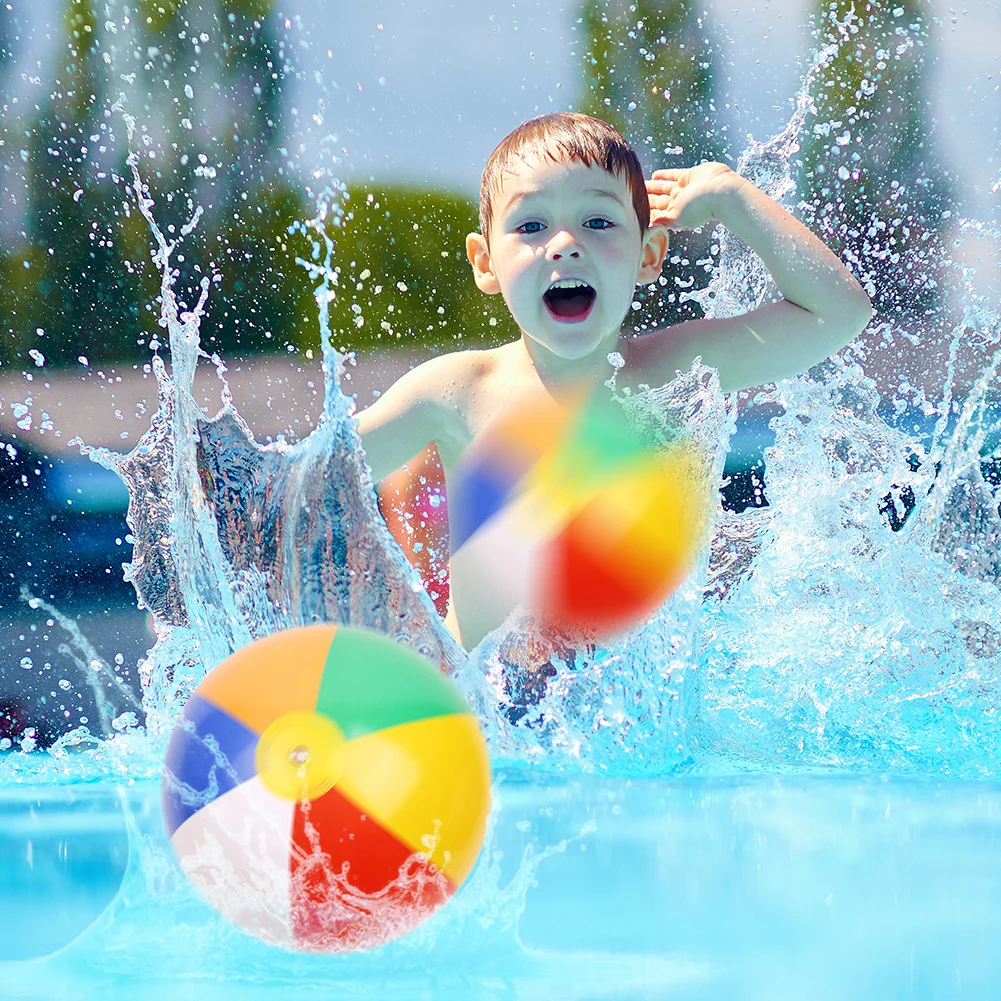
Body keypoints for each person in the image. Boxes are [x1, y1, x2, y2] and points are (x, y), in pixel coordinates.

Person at [355, 111, 873, 654]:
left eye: (598, 223)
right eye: (531, 226)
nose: (564, 244)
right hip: (492, 716)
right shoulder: (457, 392)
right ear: (486, 263)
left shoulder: (676, 371)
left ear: (648, 255)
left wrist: (732, 199)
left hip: (633, 717)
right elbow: (312, 476)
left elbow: (839, 314)